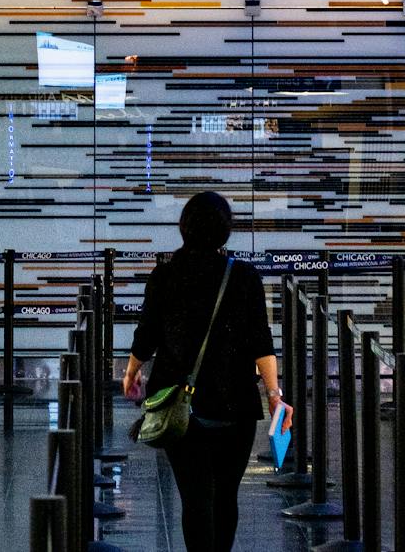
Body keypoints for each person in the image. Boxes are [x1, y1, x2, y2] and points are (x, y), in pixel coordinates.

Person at [123, 192, 286, 552]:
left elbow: (146, 336)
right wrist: (274, 395)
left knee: (196, 498)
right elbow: (262, 342)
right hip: (236, 405)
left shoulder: (165, 276)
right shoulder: (244, 277)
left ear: (184, 228)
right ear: (226, 232)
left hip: (182, 406)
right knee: (226, 497)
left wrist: (131, 373)